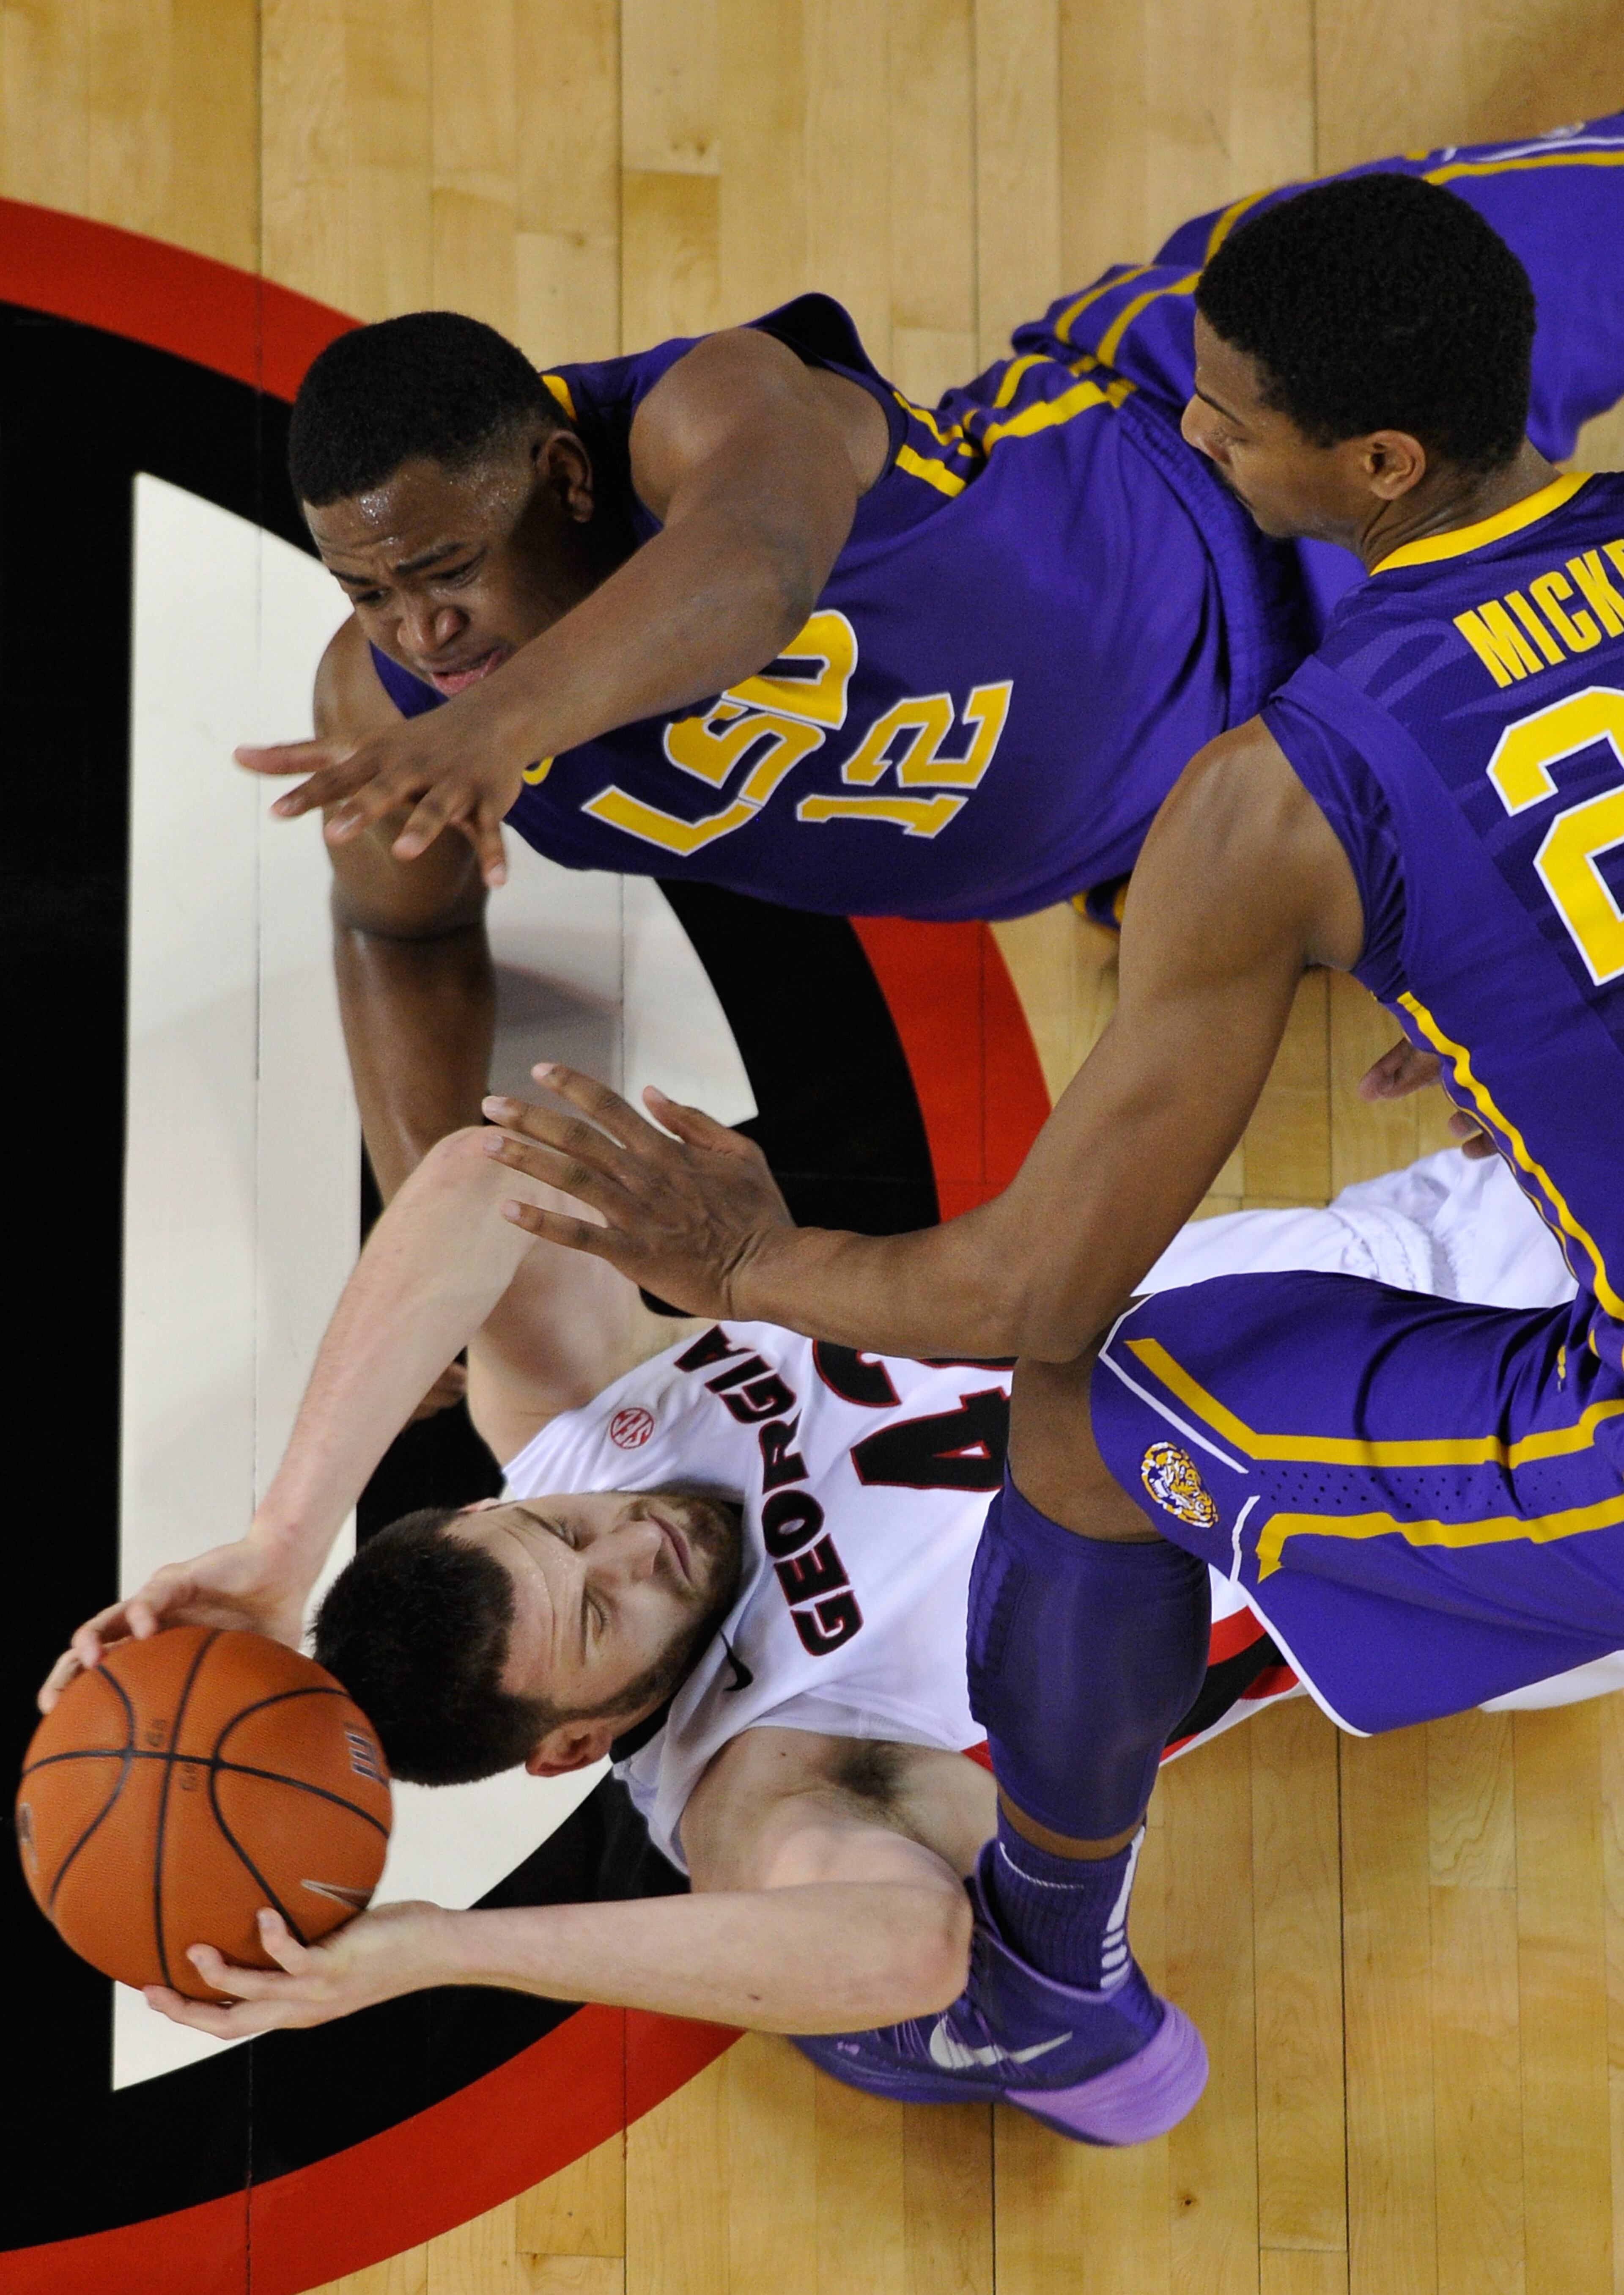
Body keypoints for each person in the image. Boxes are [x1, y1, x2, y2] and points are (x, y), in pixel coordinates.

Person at [474, 170, 1624, 2137]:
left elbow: (1029, 1298)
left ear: (1377, 460)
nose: (1189, 420)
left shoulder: (1275, 802)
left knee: (1092, 1412)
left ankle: (1049, 1983)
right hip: (1506, 1247)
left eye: (1230, 415)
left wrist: (750, 1263)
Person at [43, 1109, 1590, 2137]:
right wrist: (444, 1949)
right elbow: (907, 1941)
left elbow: (481, 1170)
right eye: (602, 1613)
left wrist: (280, 1539)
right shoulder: (755, 1776)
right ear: (582, 1741)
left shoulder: (580, 1426)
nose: (631, 1544)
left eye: (556, 1528)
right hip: (1464, 1509)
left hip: (1439, 1219)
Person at [233, 122, 1624, 1201]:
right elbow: (392, 927)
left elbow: (757, 571)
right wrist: (426, 1189)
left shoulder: (703, 408)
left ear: (563, 480)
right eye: (366, 592)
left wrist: (503, 727)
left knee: (1492, 272)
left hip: (1211, 462)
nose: (419, 633)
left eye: (446, 573)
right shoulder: (392, 713)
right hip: (1255, 809)